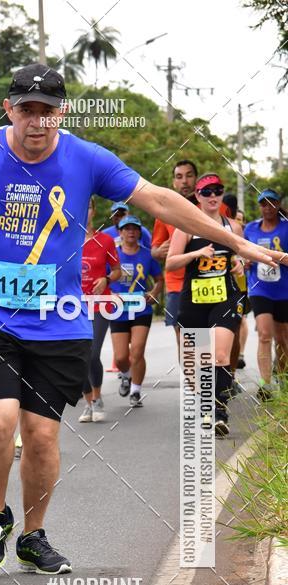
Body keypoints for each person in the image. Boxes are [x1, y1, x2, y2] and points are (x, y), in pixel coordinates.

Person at [0, 63, 281, 573]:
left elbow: (156, 199)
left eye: (47, 112)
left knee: (42, 435)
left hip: (60, 321)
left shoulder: (87, 159)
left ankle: (33, 535)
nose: (37, 122)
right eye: (27, 111)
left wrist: (235, 240)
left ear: (60, 113)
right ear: (8, 110)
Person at [167, 173, 245, 437]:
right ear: (197, 197)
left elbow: (245, 257)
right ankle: (206, 409)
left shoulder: (233, 227)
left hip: (225, 295)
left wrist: (240, 263)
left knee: (221, 355)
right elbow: (171, 262)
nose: (213, 196)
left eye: (217, 191)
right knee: (201, 361)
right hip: (195, 299)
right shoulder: (186, 227)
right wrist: (196, 253)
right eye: (207, 192)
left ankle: (219, 412)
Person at [108, 216, 163, 407]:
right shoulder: (112, 255)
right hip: (118, 310)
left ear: (140, 232)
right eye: (126, 228)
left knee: (137, 352)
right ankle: (126, 375)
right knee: (121, 357)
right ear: (120, 232)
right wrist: (110, 294)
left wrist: (154, 292)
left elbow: (159, 279)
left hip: (141, 309)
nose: (131, 232)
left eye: (134, 228)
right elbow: (102, 279)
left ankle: (136, 391)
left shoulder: (148, 255)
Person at [78, 197, 121, 422]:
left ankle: (97, 397)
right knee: (78, 355)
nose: (84, 210)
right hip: (72, 306)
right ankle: (87, 403)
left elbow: (117, 271)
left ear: (93, 211)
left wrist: (106, 279)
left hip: (99, 303)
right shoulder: (66, 239)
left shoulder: (105, 240)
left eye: (87, 206)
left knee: (92, 352)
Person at [243, 189, 288, 398]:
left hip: (283, 290)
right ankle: (266, 384)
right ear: (259, 206)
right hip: (259, 288)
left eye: (271, 203)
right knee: (264, 333)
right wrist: (246, 261)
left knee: (283, 338)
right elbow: (240, 255)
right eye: (263, 204)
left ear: (278, 205)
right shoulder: (251, 229)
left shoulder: (286, 227)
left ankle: (282, 375)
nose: (267, 208)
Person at [152, 160, 198, 350]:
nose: (184, 181)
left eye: (189, 176)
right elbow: (154, 250)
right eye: (179, 177)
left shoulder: (208, 207)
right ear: (173, 183)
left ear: (196, 179)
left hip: (205, 279)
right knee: (184, 335)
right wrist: (159, 251)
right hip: (176, 283)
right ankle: (191, 380)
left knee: (203, 333)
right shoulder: (164, 212)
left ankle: (216, 377)